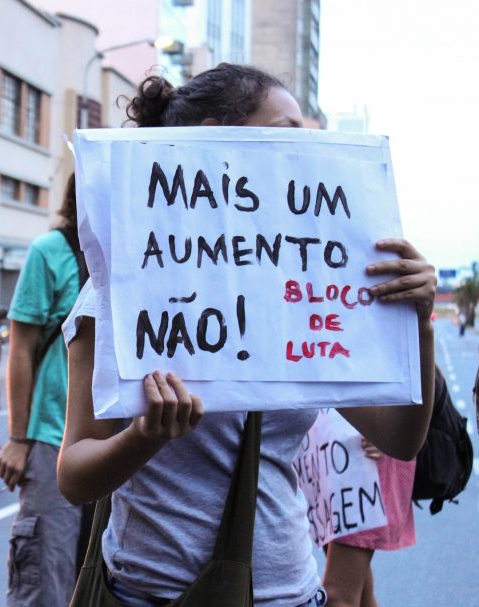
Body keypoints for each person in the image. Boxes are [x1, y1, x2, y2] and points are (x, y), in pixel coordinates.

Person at [57, 64, 438, 607]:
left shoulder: (308, 287)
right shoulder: (121, 287)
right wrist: (143, 437)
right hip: (153, 594)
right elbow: (75, 475)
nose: (307, 154)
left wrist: (416, 322)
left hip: (292, 593)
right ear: (221, 138)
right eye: (289, 135)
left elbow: (401, 439)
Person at [0, 174, 90, 606]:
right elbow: (20, 349)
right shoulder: (48, 253)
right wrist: (19, 439)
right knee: (47, 582)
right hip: (52, 439)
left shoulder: (139, 254)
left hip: (124, 444)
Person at [321, 438, 416, 607]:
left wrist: (392, 433)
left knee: (337, 596)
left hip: (364, 459)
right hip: (326, 454)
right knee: (358, 591)